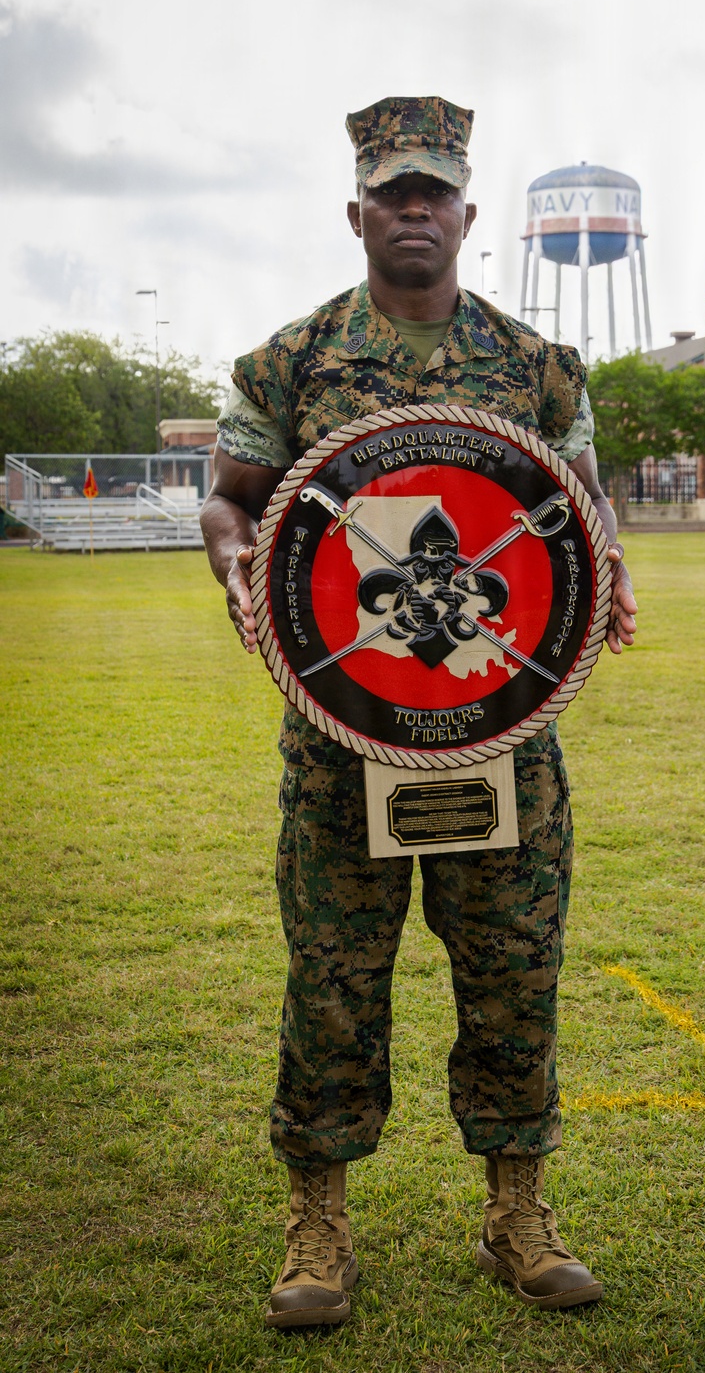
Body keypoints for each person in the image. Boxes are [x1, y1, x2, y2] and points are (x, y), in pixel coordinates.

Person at [200, 96, 637, 1328]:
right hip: (347, 730)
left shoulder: (540, 369)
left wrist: (613, 569)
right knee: (333, 978)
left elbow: (579, 509)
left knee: (513, 968)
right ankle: (318, 1231)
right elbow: (232, 500)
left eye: (432, 191)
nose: (412, 208)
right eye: (391, 190)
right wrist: (236, 561)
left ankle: (517, 1216)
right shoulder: (286, 365)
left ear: (468, 214)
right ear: (355, 212)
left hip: (498, 736)